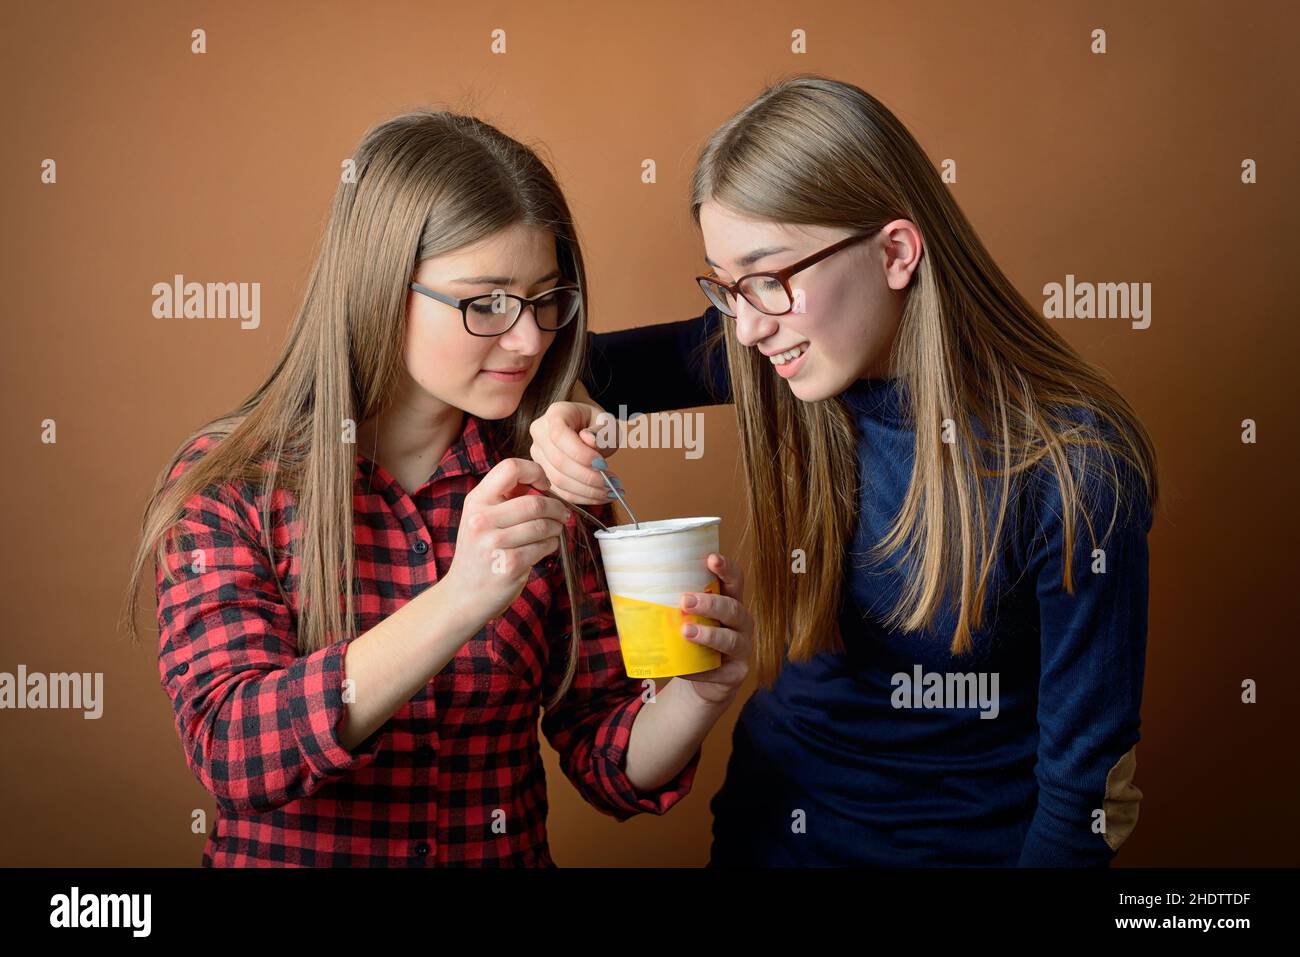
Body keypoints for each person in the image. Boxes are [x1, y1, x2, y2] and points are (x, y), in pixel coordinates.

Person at [529, 75, 1158, 866]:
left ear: (895, 251)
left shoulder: (1074, 468)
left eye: (769, 277)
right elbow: (548, 365)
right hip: (771, 829)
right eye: (726, 288)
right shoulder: (778, 358)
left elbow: (1085, 797)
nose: (749, 326)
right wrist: (559, 420)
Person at [121, 109, 754, 867]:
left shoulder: (545, 468)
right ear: (381, 287)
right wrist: (460, 597)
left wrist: (694, 697)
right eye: (484, 302)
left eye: (548, 298)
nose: (528, 339)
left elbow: (606, 759)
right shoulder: (236, 486)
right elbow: (234, 750)